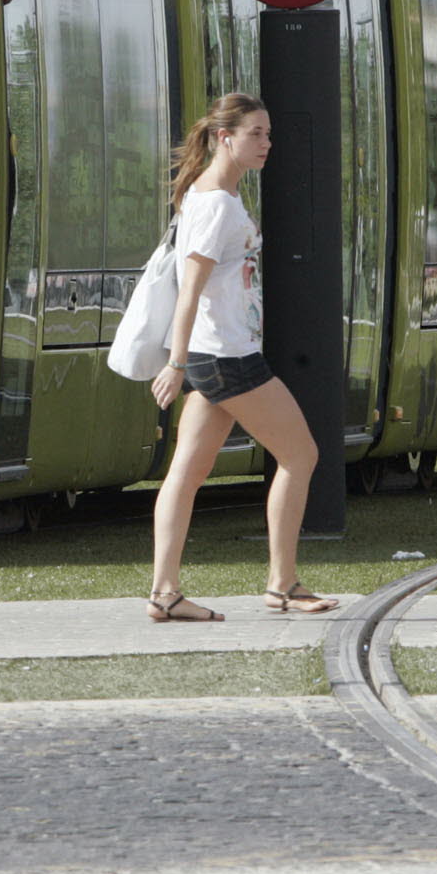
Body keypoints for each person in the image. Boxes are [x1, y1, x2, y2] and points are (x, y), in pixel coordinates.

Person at [145, 93, 338, 623]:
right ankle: (283, 583)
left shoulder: (209, 196)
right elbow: (190, 289)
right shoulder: (217, 205)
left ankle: (165, 594)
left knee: (186, 473)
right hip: (228, 357)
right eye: (255, 133)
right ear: (223, 138)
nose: (267, 144)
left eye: (269, 134)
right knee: (301, 456)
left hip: (216, 354)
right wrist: (176, 363)